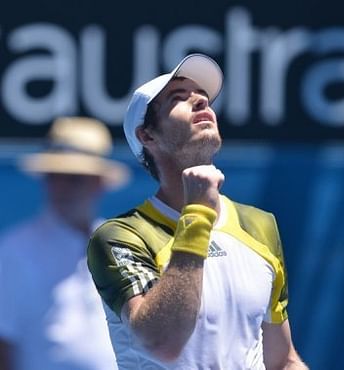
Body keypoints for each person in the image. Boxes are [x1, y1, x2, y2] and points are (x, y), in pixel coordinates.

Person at [87, 53, 308, 369]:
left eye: (204, 99)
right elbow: (162, 343)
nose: (201, 104)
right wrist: (198, 214)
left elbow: (282, 360)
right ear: (147, 135)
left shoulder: (260, 225)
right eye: (180, 99)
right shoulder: (120, 236)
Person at [0, 117, 130, 370]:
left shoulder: (120, 245)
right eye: (54, 176)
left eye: (75, 178)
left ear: (99, 183)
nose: (62, 187)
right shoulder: (13, 250)